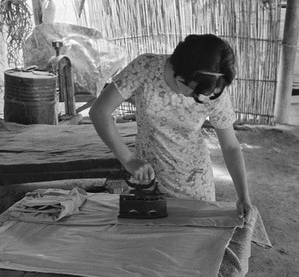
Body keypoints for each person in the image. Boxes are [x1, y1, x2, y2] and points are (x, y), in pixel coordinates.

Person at [89, 34, 253, 219]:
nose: (197, 98)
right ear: (179, 74)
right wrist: (128, 160)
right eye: (193, 91)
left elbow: (230, 146)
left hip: (195, 182)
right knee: (150, 240)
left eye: (204, 93)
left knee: (192, 240)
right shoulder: (146, 68)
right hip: (148, 177)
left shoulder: (211, 87)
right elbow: (99, 112)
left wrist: (243, 195)